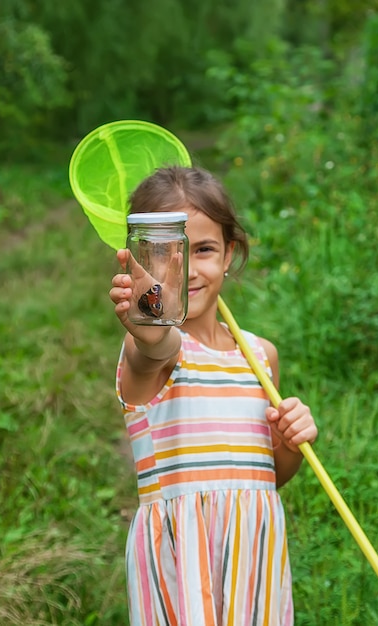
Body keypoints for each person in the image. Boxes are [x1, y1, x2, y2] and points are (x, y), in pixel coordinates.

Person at [109, 166, 318, 626]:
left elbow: (268, 477)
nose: (184, 269)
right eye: (164, 253)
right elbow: (152, 346)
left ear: (229, 254)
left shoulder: (261, 356)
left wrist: (290, 445)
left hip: (253, 557)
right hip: (181, 563)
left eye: (203, 249)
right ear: (138, 260)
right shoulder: (160, 351)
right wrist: (151, 321)